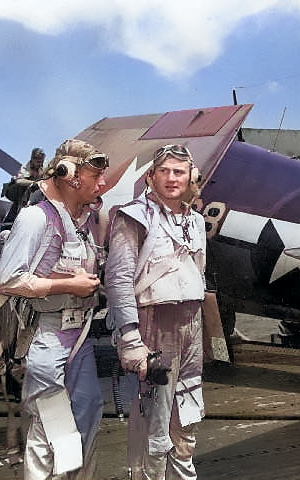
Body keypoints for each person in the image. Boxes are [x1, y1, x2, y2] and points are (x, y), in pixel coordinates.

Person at [0, 139, 108, 479]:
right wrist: (69, 285)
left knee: (86, 415)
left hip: (78, 336)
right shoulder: (35, 219)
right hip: (46, 337)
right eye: (95, 175)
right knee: (51, 427)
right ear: (70, 175)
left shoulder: (81, 221)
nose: (101, 184)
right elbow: (9, 281)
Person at [105, 144, 207, 480]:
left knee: (187, 415)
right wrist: (131, 338)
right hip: (154, 327)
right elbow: (119, 280)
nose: (172, 178)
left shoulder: (194, 221)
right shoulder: (132, 216)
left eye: (179, 171)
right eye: (164, 171)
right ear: (150, 177)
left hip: (191, 325)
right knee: (154, 424)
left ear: (190, 177)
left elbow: (198, 273)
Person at [2, 147, 47, 223]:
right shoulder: (26, 167)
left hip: (42, 192)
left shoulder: (46, 165)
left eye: (41, 161)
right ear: (32, 159)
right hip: (26, 193)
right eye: (37, 161)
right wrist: (33, 183)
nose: (39, 164)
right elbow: (19, 181)